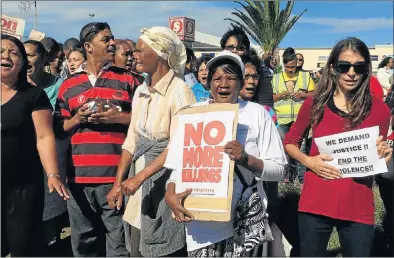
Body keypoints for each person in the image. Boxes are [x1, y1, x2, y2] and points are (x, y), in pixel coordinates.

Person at [164, 50, 286, 257]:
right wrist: (169, 194)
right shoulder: (192, 115)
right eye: (217, 78)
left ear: (240, 82)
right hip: (200, 226)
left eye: (230, 78)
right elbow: (177, 168)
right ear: (208, 83)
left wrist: (246, 160)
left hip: (244, 223)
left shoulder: (257, 114)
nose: (224, 84)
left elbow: (279, 170)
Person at [283, 37, 392, 257]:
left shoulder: (380, 110)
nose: (351, 72)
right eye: (344, 66)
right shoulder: (314, 104)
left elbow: (377, 153)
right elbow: (290, 141)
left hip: (358, 206)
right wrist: (307, 161)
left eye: (359, 67)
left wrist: (384, 155)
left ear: (366, 70)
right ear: (333, 68)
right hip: (315, 204)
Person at [107, 26, 196, 257]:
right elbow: (132, 140)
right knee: (138, 243)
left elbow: (177, 146)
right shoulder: (141, 91)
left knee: (164, 243)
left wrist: (140, 177)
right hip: (139, 181)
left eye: (140, 50)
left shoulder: (180, 91)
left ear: (160, 54)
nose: (134, 55)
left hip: (164, 181)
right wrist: (119, 183)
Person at [55, 22, 139, 257]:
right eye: (106, 39)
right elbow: (58, 128)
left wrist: (120, 117)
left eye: (112, 39)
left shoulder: (129, 80)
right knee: (84, 243)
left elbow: (145, 123)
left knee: (119, 243)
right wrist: (77, 119)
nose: (113, 43)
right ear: (88, 47)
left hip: (117, 178)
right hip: (78, 180)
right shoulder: (68, 85)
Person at [1, 34, 69, 257]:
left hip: (22, 186)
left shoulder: (34, 95)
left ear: (22, 63)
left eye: (14, 52)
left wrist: (52, 174)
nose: (6, 56)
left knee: (23, 246)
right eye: (1, 51)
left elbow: (44, 137)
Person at [273, 47, 315, 182]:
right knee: (285, 148)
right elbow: (270, 98)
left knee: (301, 149)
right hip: (282, 119)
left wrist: (303, 95)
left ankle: (302, 179)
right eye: (287, 67)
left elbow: (315, 95)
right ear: (283, 65)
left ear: (297, 63)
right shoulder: (276, 78)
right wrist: (279, 96)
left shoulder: (305, 76)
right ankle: (287, 177)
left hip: (300, 119)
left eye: (292, 66)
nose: (290, 70)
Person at [220, 25, 274, 108]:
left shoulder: (259, 70)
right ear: (223, 49)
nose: (235, 51)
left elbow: (267, 105)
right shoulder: (216, 69)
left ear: (247, 50)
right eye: (230, 47)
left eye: (240, 48)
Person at [24, 40, 64, 108]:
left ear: (43, 58)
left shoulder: (58, 85)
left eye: (30, 55)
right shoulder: (11, 83)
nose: (25, 59)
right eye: (22, 55)